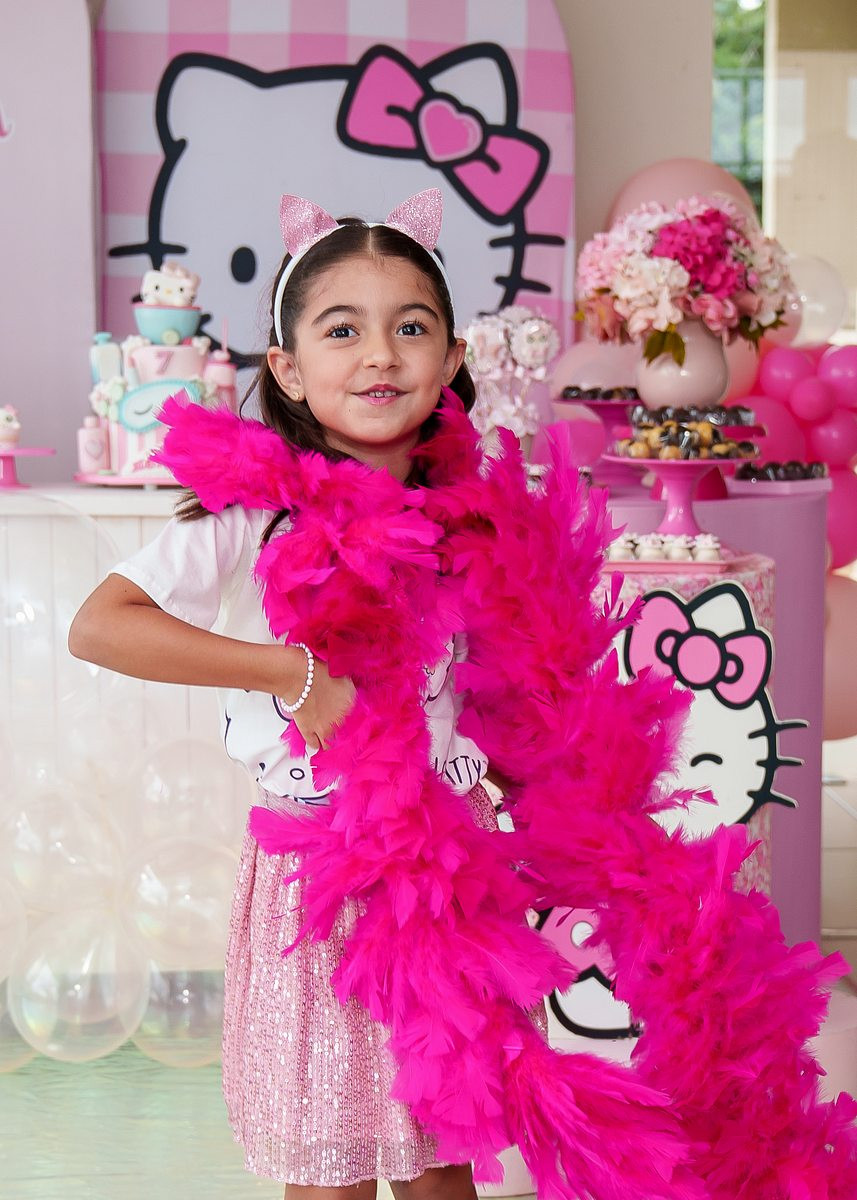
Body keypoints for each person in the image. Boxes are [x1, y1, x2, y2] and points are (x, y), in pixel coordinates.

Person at [69, 190, 494, 1200]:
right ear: (289, 369)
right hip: (318, 877)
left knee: (442, 1163)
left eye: (410, 328)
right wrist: (288, 673)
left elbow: (504, 684)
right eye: (342, 330)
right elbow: (101, 624)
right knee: (328, 1166)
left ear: (451, 360)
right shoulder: (248, 513)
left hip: (447, 868)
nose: (379, 354)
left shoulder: (472, 518)